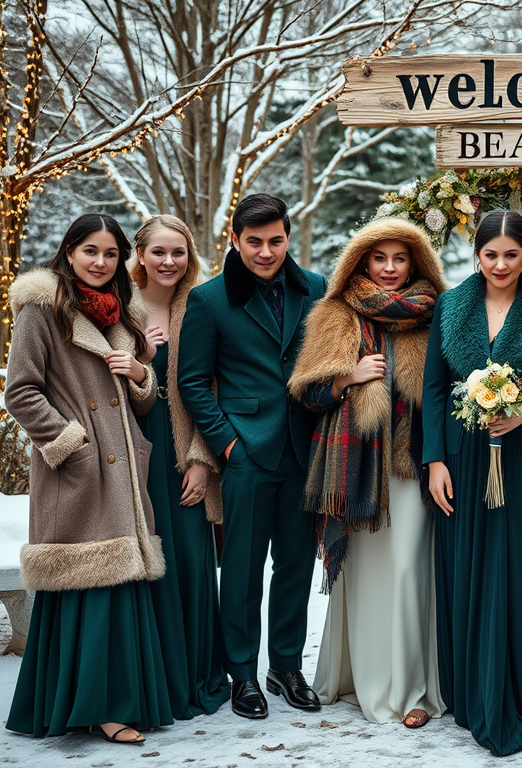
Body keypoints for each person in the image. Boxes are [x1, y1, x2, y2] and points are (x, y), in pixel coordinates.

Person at [5, 213, 171, 742]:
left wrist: (141, 374)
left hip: (121, 476)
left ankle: (117, 702)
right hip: (79, 474)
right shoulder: (43, 308)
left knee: (118, 588)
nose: (100, 263)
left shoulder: (121, 316)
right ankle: (100, 708)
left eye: (109, 253)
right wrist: (71, 444)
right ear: (69, 251)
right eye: (89, 251)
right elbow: (21, 392)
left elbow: (141, 403)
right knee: (89, 589)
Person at [422, 210, 522, 756]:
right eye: (492, 255)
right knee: (467, 570)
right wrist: (434, 461)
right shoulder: (451, 306)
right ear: (476, 253)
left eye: (512, 255)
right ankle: (471, 692)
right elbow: (436, 390)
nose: (502, 264)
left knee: (517, 572)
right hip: (462, 461)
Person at [288, 218, 446, 727]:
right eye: (381, 258)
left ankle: (413, 692)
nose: (391, 268)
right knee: (367, 575)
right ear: (361, 261)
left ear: (416, 262)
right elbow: (307, 393)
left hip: (412, 465)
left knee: (409, 569)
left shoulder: (435, 313)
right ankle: (366, 680)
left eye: (401, 258)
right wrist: (346, 378)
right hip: (358, 472)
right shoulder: (334, 313)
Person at [178, 194, 327, 719]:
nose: (266, 252)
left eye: (276, 241)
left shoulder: (315, 288)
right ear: (235, 240)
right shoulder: (210, 299)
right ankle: (241, 673)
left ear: (289, 237)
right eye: (255, 242)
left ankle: (285, 666)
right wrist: (227, 444)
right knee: (241, 569)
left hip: (305, 448)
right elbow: (193, 381)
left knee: (295, 566)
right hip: (245, 451)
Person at [131, 214, 231, 719]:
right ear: (140, 255)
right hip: (132, 455)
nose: (169, 262)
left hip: (189, 452)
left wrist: (200, 460)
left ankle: (195, 676)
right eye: (159, 252)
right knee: (146, 565)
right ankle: (154, 682)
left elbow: (212, 389)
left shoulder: (204, 305)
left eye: (179, 252)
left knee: (191, 563)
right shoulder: (118, 308)